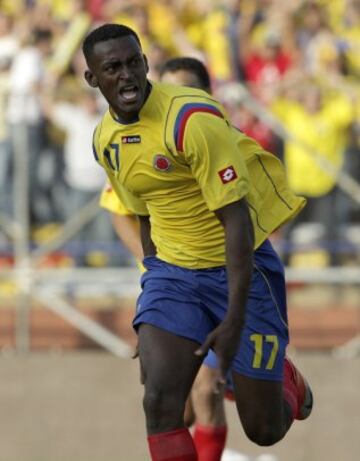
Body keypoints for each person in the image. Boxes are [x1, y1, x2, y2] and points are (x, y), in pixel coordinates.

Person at [83, 24, 313, 461]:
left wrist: (233, 315)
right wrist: (155, 296)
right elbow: (142, 215)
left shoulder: (192, 120)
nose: (127, 75)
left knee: (264, 430)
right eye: (113, 67)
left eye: (134, 63)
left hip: (237, 263)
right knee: (160, 403)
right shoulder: (105, 141)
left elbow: (238, 221)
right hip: (174, 273)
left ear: (147, 64)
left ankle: (288, 380)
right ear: (93, 79)